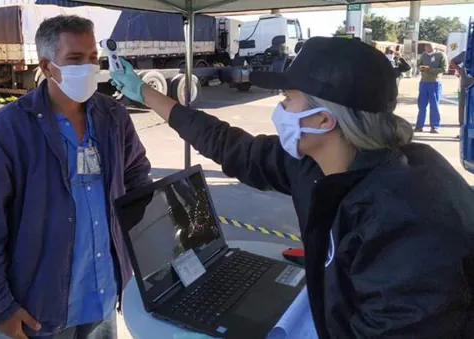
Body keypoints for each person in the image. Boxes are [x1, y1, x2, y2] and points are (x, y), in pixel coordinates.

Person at [112, 37, 474, 338]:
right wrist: (145, 93)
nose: (280, 109)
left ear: (322, 119)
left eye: (287, 99)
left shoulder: (407, 219)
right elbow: (227, 145)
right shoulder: (315, 163)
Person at [0, 15, 151, 339]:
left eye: (93, 58)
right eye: (75, 59)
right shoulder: (6, 130)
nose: (89, 68)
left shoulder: (113, 117)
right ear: (47, 67)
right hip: (41, 310)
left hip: (104, 296)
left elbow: (136, 175)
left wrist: (133, 244)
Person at [415, 43, 448, 134]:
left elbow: (444, 69)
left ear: (433, 48)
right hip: (423, 83)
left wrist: (430, 69)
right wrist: (421, 68)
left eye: (428, 48)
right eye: (426, 48)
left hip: (435, 83)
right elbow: (418, 65)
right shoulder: (423, 55)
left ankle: (435, 126)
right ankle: (419, 126)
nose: (427, 49)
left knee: (434, 106)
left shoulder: (440, 55)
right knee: (421, 105)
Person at [450, 49, 474, 138]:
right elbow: (452, 62)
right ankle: (463, 132)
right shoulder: (466, 53)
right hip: (466, 86)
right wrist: (459, 70)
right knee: (463, 108)